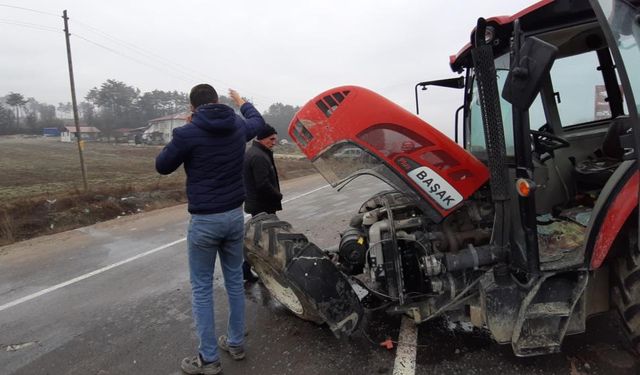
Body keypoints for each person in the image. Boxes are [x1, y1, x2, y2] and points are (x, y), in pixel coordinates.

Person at [155, 84, 265, 375]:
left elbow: (162, 165)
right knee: (233, 282)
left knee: (202, 288)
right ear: (217, 102)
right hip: (233, 217)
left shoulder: (187, 133)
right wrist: (242, 101)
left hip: (204, 221)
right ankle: (236, 343)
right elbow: (258, 122)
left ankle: (209, 360)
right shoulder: (237, 127)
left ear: (192, 108)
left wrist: (185, 132)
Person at [242, 124, 283, 282]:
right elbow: (262, 184)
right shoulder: (258, 156)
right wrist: (278, 195)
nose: (274, 142)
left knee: (261, 240)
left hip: (260, 205)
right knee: (265, 241)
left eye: (275, 139)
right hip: (262, 206)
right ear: (262, 138)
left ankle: (247, 270)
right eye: (271, 139)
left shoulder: (257, 152)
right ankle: (263, 272)